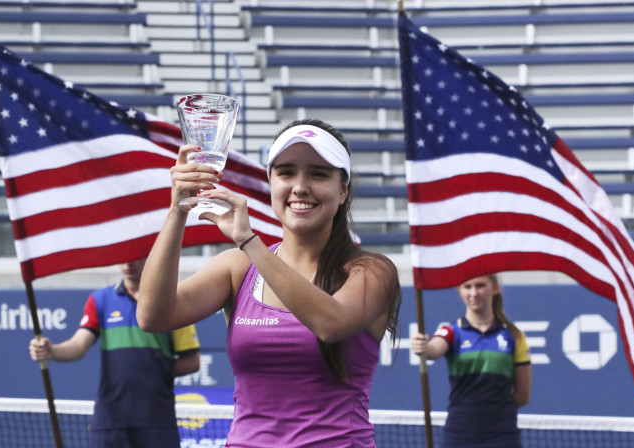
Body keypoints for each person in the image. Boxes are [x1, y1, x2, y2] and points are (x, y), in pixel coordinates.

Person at [137, 118, 402, 447]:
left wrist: (249, 240)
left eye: (318, 173)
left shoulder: (373, 271)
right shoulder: (238, 267)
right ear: (270, 182)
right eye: (286, 172)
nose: (300, 186)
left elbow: (330, 324)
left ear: (343, 189)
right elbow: (152, 316)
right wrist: (178, 209)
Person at [28, 258, 200, 448]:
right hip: (110, 421)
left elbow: (192, 362)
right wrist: (52, 351)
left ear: (150, 256)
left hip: (157, 419)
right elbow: (78, 345)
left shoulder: (170, 302)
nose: (128, 264)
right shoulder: (100, 300)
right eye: (124, 258)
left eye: (135, 258)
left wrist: (153, 366)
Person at [411, 274, 531, 448]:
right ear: (459, 291)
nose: (474, 293)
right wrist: (423, 347)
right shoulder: (451, 331)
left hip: (503, 434)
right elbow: (434, 349)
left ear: (495, 288)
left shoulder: (514, 336)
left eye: (480, 285)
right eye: (467, 287)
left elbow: (522, 396)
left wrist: (494, 410)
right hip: (459, 432)